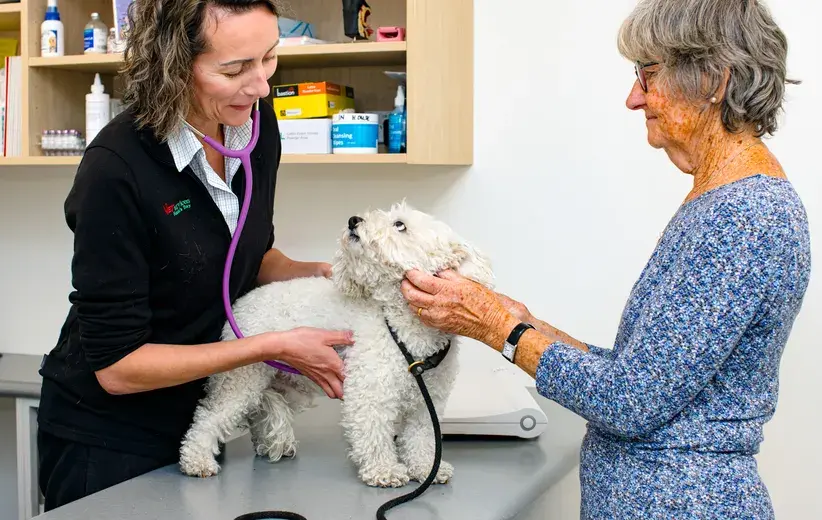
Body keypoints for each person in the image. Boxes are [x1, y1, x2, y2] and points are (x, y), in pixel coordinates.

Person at [401, 1, 811, 518]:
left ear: (713, 79)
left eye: (648, 74)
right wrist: (528, 323)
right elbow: (641, 373)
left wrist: (496, 327)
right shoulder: (722, 201)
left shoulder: (745, 217)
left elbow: (629, 401)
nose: (633, 98)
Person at [36, 0, 353, 511]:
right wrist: (269, 345)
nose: (261, 86)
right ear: (173, 65)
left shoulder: (255, 125)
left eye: (269, 58)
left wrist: (308, 273)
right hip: (108, 438)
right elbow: (118, 368)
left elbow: (241, 253)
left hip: (199, 420)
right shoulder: (115, 171)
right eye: (234, 69)